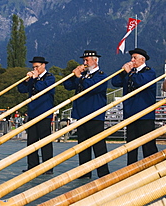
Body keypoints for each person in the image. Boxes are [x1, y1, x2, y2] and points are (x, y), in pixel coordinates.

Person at [64, 50, 110, 178]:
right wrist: (74, 75)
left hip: (95, 115)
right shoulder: (83, 76)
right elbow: (67, 85)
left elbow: (92, 87)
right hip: (81, 114)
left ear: (95, 61)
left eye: (87, 60)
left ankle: (103, 173)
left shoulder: (101, 75)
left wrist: (80, 77)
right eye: (84, 60)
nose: (84, 63)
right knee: (82, 146)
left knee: (99, 146)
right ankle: (84, 172)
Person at [111, 48, 158, 165]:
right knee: (131, 146)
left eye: (134, 58)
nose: (132, 60)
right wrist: (123, 71)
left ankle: (154, 169)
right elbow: (115, 82)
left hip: (145, 115)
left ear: (142, 59)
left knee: (148, 146)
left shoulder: (149, 72)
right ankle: (131, 170)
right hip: (130, 113)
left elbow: (140, 82)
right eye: (131, 58)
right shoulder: (130, 73)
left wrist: (129, 72)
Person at [18, 56, 55, 174]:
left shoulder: (50, 78)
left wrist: (34, 79)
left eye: (37, 66)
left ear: (43, 66)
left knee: (45, 141)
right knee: (31, 141)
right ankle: (32, 166)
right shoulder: (33, 78)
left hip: (44, 113)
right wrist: (26, 80)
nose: (35, 69)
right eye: (33, 67)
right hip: (32, 113)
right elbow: (21, 89)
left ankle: (47, 167)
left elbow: (41, 88)